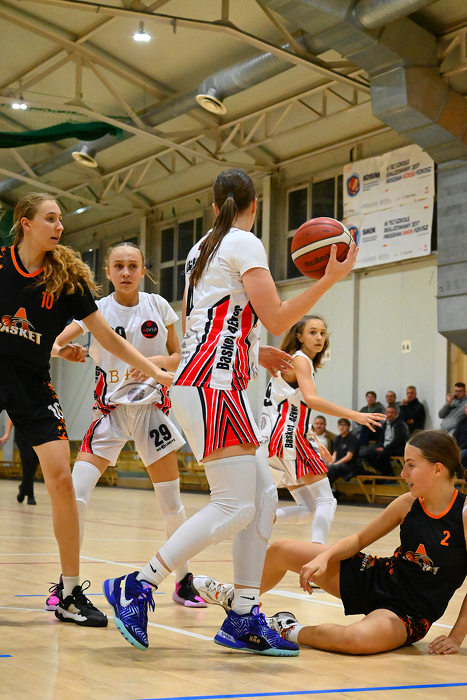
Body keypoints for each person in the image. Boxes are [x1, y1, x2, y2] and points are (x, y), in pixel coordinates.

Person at [102, 167, 358, 655]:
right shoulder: (244, 242)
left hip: (210, 381)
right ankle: (139, 583)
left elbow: (208, 321)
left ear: (214, 206)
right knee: (236, 505)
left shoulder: (201, 248)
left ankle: (242, 613)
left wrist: (253, 350)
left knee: (261, 499)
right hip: (212, 385)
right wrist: (330, 278)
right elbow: (277, 317)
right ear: (254, 206)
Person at [0, 192, 172, 628]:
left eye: (61, 219)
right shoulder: (1, 263)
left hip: (33, 384)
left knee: (61, 480)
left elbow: (108, 338)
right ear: (26, 223)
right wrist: (61, 350)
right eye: (50, 218)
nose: (59, 226)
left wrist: (154, 369)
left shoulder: (66, 280)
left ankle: (70, 592)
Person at [201, 430, 467, 655]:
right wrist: (323, 557)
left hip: (409, 613)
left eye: (411, 465)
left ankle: (283, 627)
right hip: (378, 578)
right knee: (281, 550)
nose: (404, 473)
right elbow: (359, 539)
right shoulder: (408, 503)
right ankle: (237, 600)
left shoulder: (464, 515)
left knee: (355, 640)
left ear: (437, 468)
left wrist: (455, 638)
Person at [46, 241, 206, 611]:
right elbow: (52, 344)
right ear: (107, 272)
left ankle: (184, 581)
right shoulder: (96, 310)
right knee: (76, 496)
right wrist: (64, 352)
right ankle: (67, 583)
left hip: (151, 411)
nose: (126, 272)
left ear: (143, 270)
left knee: (172, 504)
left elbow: (181, 356)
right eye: (118, 266)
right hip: (109, 413)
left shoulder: (158, 306)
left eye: (133, 265)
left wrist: (155, 361)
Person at [260, 315, 385, 543]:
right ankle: (317, 552)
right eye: (312, 332)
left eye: (322, 333)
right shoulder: (301, 360)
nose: (319, 337)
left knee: (309, 508)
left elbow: (293, 407)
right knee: (326, 500)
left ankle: (260, 519)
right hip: (289, 438)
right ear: (299, 337)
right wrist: (355, 415)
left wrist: (314, 441)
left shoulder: (291, 361)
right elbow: (312, 400)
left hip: (273, 440)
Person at [0, 416, 40, 504]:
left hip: (37, 434)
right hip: (22, 434)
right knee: (28, 462)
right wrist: (7, 434)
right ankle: (30, 495)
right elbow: (12, 416)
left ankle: (23, 488)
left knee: (34, 463)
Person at [363, 405, 408, 477]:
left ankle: (390, 474)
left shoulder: (400, 424)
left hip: (396, 448)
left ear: (396, 414)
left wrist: (385, 448)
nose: (390, 415)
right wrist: (380, 446)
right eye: (388, 413)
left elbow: (398, 440)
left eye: (392, 413)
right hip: (385, 447)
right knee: (368, 454)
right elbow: (381, 438)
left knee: (383, 454)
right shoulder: (385, 424)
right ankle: (384, 472)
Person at [326, 418, 360, 487]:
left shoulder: (352, 439)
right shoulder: (338, 438)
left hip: (349, 466)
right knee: (325, 468)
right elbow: (334, 454)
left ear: (348, 426)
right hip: (338, 464)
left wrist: (335, 464)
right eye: (340, 425)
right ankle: (329, 488)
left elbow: (349, 457)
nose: (341, 427)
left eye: (344, 425)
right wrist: (330, 463)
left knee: (332, 468)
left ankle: (327, 488)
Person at [453, 402, 467, 472]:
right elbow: (456, 434)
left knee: (462, 455)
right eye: (466, 408)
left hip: (465, 448)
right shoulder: (463, 420)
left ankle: (460, 476)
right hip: (459, 447)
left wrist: (460, 448)